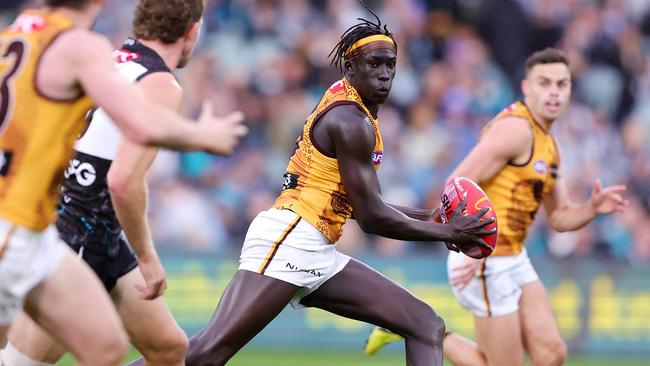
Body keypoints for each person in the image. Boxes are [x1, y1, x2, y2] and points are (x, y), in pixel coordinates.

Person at [172, 9, 494, 366]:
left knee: (424, 324)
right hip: (292, 238)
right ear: (349, 67)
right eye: (375, 64)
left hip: (313, 243)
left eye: (391, 65)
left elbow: (361, 204)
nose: (385, 74)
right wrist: (448, 231)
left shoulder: (350, 104)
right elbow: (372, 219)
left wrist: (431, 217)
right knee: (205, 355)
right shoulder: (350, 121)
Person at [0, 0, 246, 365]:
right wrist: (203, 135)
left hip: (67, 221)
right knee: (26, 361)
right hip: (64, 226)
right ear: (192, 31)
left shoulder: (24, 29)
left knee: (164, 348)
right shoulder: (87, 49)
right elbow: (127, 167)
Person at [364, 48, 628, 366]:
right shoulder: (515, 130)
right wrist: (472, 248)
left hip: (514, 256)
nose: (554, 92)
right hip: (485, 259)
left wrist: (592, 208)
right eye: (545, 83)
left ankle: (411, 327)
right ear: (527, 88)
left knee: (552, 354)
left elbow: (559, 216)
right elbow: (456, 184)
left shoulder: (549, 144)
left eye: (562, 84)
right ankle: (413, 328)